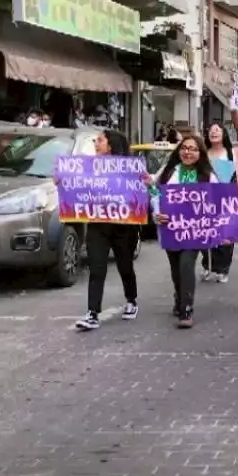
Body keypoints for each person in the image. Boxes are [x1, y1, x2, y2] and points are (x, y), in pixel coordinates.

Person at [149, 135, 218, 328]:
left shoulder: (208, 176)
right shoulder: (169, 171)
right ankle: (179, 297)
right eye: (184, 148)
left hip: (194, 231)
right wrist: (157, 212)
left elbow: (217, 202)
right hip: (170, 229)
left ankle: (186, 309)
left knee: (186, 265)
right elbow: (155, 191)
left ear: (200, 153)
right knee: (175, 269)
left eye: (193, 149)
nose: (188, 152)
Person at [75, 130, 140, 331]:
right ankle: (92, 313)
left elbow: (139, 193)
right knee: (97, 268)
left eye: (100, 140)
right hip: (98, 225)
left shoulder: (129, 168)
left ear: (110, 145)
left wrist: (145, 183)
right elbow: (76, 187)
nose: (96, 142)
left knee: (125, 265)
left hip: (123, 226)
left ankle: (131, 300)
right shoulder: (88, 167)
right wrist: (62, 181)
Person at [201, 122, 237, 283]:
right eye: (211, 130)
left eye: (217, 129)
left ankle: (223, 269)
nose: (213, 132)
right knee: (205, 234)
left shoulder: (232, 154)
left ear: (224, 134)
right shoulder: (203, 154)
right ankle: (208, 266)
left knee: (225, 236)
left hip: (226, 199)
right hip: (204, 199)